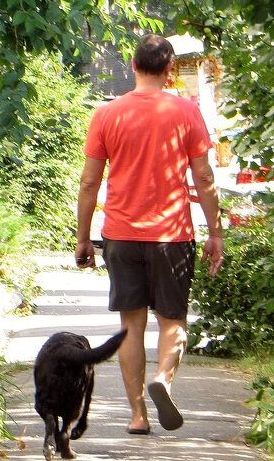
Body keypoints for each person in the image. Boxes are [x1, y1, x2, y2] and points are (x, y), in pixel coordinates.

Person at [74, 33, 223, 434]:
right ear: (170, 71)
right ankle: (164, 379)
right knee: (173, 319)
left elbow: (89, 184)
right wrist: (216, 233)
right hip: (172, 236)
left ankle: (138, 415)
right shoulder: (186, 113)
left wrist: (83, 237)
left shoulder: (106, 114)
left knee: (131, 325)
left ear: (134, 66)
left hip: (121, 235)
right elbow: (204, 177)